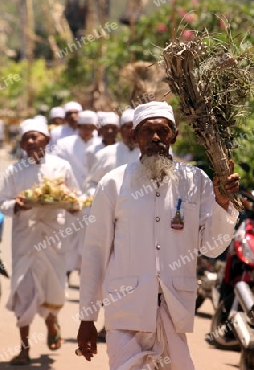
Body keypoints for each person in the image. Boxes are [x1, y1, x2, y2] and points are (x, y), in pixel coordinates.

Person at [76, 101, 240, 370]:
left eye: (162, 131)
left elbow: (211, 248)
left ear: (174, 135)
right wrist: (87, 318)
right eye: (147, 131)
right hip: (125, 311)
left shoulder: (195, 180)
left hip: (174, 310)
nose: (155, 138)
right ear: (133, 136)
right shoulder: (114, 183)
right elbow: (95, 252)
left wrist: (223, 204)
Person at [0, 119, 80, 365]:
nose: (32, 142)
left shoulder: (61, 166)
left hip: (53, 239)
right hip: (25, 240)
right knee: (23, 291)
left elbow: (75, 198)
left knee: (51, 288)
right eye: (27, 138)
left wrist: (73, 206)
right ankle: (24, 349)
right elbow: (3, 203)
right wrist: (17, 205)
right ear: (22, 144)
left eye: (36, 137)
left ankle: (51, 322)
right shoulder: (13, 171)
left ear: (46, 139)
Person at [84, 108, 139, 343]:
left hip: (141, 228)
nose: (128, 131)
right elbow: (91, 184)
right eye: (125, 126)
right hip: (111, 225)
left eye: (132, 127)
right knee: (111, 272)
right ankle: (110, 322)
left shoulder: (151, 154)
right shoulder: (107, 155)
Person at [54, 111, 99, 274]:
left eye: (91, 127)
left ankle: (84, 280)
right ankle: (64, 276)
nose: (87, 131)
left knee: (89, 243)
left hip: (93, 201)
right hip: (69, 201)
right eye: (84, 127)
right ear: (78, 127)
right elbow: (55, 169)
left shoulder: (101, 145)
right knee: (67, 241)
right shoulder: (64, 144)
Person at [85, 108, 139, 197]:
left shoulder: (148, 154)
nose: (131, 131)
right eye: (128, 127)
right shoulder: (105, 154)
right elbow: (92, 183)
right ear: (120, 130)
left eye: (135, 127)